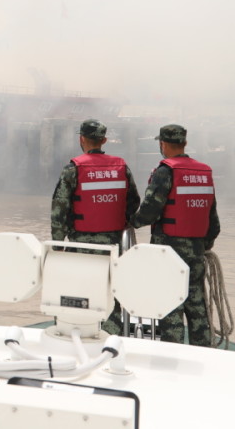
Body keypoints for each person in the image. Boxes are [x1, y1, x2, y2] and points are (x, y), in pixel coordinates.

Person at [132, 124, 220, 347]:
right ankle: (204, 350)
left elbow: (150, 210)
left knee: (170, 303)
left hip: (168, 251)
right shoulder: (203, 171)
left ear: (162, 144)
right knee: (197, 304)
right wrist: (203, 244)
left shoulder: (165, 172)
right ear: (184, 143)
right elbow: (213, 219)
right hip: (197, 250)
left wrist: (131, 222)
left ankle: (173, 351)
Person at [50, 118, 140, 335]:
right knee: (115, 289)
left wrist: (58, 243)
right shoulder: (121, 167)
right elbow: (134, 201)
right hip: (114, 243)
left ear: (82, 139)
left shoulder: (73, 169)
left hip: (81, 244)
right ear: (104, 140)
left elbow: (59, 209)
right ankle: (111, 332)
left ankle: (82, 331)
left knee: (79, 290)